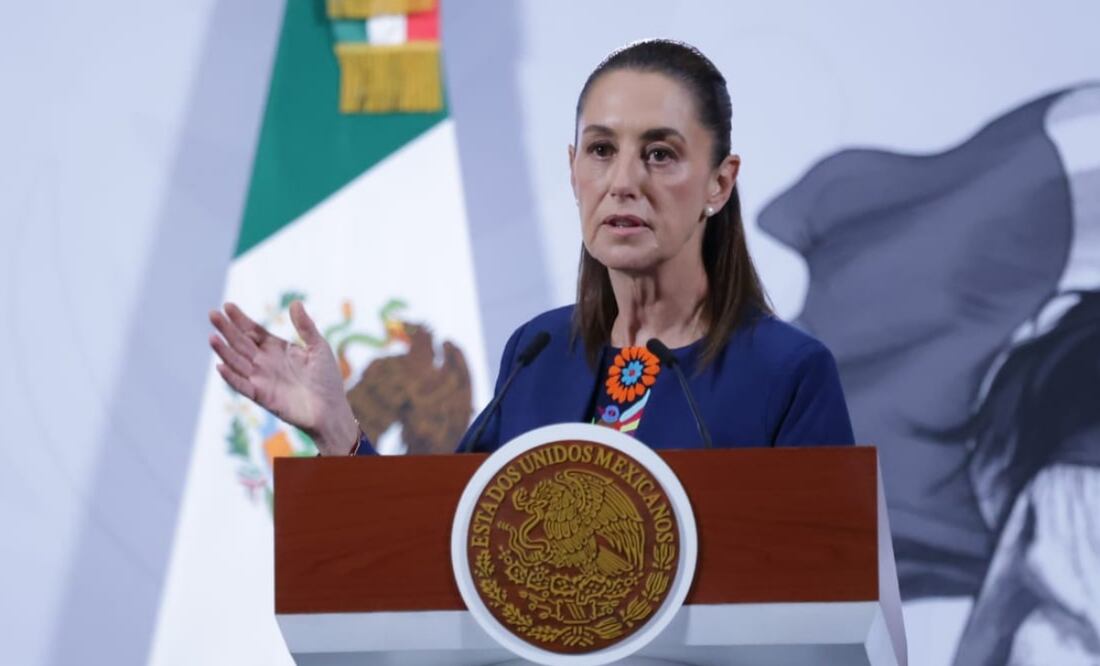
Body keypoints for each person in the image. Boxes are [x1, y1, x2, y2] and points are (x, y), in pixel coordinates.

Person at [208, 39, 854, 456]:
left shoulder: (788, 372)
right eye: (602, 151)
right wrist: (337, 430)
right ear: (574, 171)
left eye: (660, 154)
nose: (623, 182)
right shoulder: (538, 355)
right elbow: (443, 546)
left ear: (720, 181)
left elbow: (827, 599)